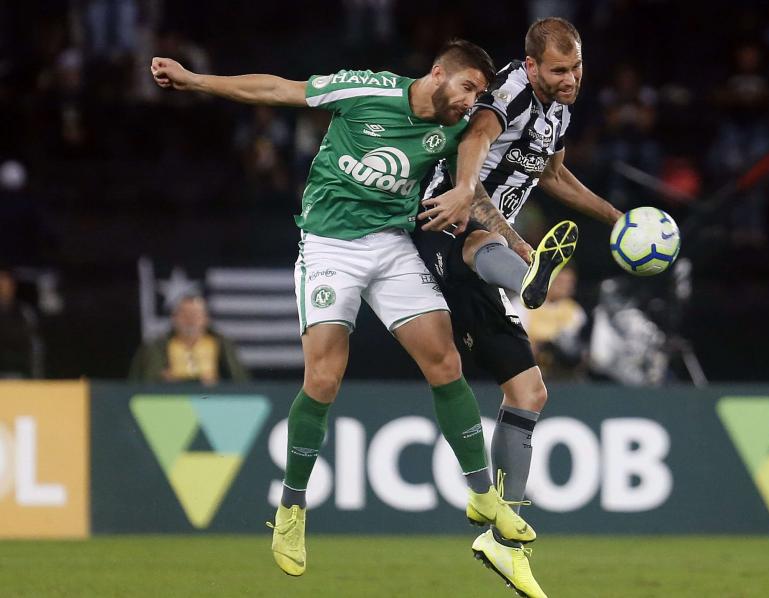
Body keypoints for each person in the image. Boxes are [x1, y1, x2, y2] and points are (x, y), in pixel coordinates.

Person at [150, 40, 542, 579]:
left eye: (480, 93)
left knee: (446, 363)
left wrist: (515, 243)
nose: (472, 101)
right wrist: (197, 81)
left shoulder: (460, 129)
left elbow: (472, 195)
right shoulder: (367, 89)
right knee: (325, 377)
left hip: (391, 243)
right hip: (331, 243)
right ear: (437, 75)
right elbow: (278, 90)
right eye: (468, 87)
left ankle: (482, 495)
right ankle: (291, 508)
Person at [414, 17, 623, 598]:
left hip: (494, 247)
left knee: (530, 393)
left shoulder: (558, 110)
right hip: (445, 223)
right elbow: (476, 144)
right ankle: (527, 271)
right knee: (482, 237)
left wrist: (617, 218)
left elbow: (551, 173)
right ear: (530, 66)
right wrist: (512, 236)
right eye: (559, 70)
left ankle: (504, 543)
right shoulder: (505, 91)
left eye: (576, 67)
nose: (570, 79)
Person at [128, 294, 250, 385]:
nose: (190, 319)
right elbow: (142, 382)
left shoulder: (222, 345)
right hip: (170, 402)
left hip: (212, 400)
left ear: (206, 319)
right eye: (184, 314)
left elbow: (239, 381)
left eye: (196, 314)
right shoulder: (156, 346)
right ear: (174, 318)